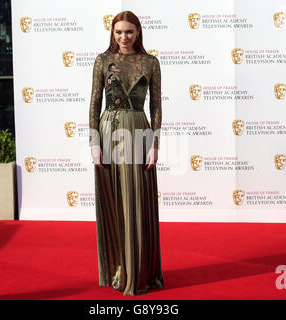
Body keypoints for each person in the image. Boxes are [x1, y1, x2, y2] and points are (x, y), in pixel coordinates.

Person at [89, 11, 164, 296]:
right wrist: (94, 141)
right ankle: (117, 269)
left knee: (136, 201)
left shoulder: (150, 63)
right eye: (119, 32)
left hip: (138, 131)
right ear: (112, 33)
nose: (123, 37)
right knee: (114, 201)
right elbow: (94, 102)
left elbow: (156, 108)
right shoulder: (102, 61)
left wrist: (154, 144)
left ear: (138, 33)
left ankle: (138, 272)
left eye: (129, 32)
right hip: (108, 131)